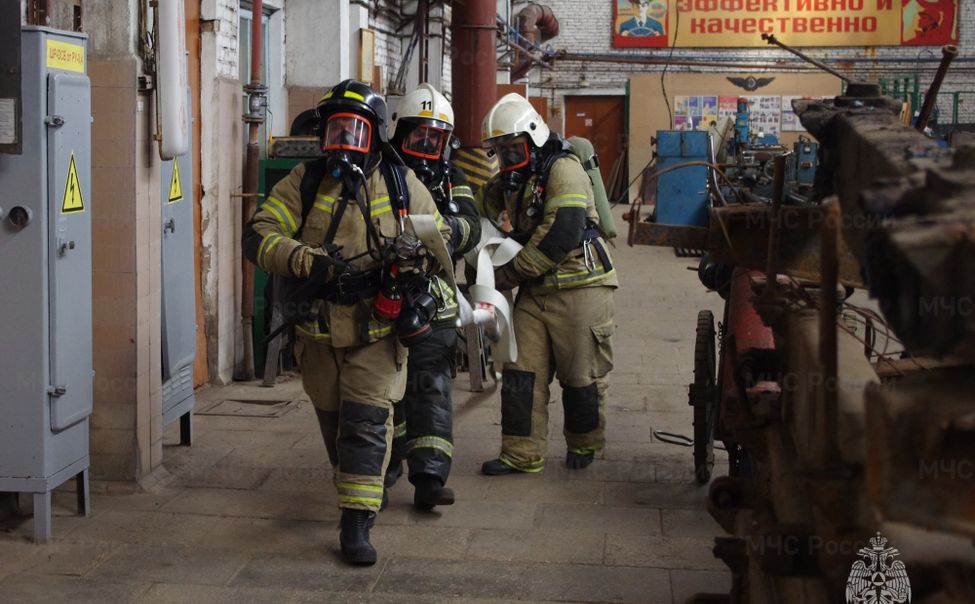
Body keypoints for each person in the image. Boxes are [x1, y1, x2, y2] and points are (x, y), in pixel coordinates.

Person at [242, 79, 450, 565]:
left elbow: (439, 244)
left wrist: (411, 273)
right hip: (317, 331)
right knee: (335, 423)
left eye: (355, 130)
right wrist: (303, 259)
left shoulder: (401, 184)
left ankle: (356, 524)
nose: (344, 140)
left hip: (377, 329)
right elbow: (259, 234)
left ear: (376, 134)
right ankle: (366, 480)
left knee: (364, 421)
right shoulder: (304, 181)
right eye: (335, 128)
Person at [475, 93, 618, 476]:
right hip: (536, 291)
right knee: (520, 372)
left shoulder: (564, 169)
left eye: (514, 149)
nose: (507, 159)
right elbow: (482, 206)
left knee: (580, 375)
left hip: (581, 286)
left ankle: (584, 443)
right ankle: (521, 453)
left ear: (535, 137)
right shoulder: (515, 177)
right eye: (501, 151)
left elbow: (561, 233)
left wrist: (505, 275)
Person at [383, 83, 482, 509]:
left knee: (431, 390)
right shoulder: (380, 172)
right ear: (399, 134)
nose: (425, 145)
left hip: (435, 303)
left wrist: (446, 232)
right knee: (384, 393)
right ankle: (380, 476)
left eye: (434, 138)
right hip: (381, 299)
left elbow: (472, 226)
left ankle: (429, 478)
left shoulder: (453, 178)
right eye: (417, 135)